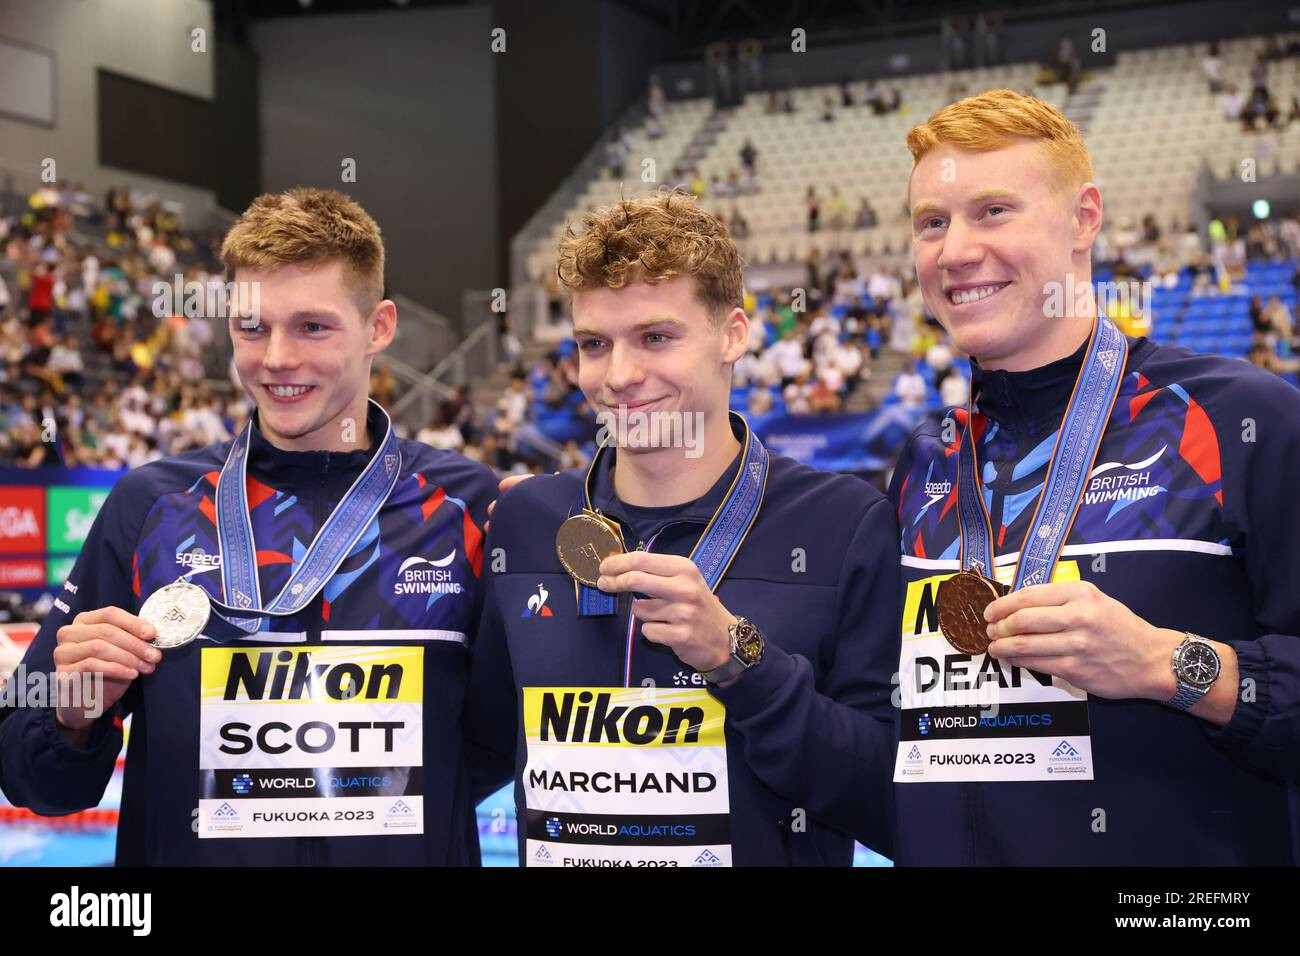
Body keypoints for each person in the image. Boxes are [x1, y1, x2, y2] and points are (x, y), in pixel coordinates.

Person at [0, 188, 508, 865]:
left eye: (312, 327)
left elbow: (500, 743)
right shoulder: (150, 506)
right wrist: (72, 716)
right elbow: (37, 783)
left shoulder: (470, 510)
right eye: (252, 327)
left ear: (379, 327)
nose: (275, 359)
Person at [891, 88, 1300, 864]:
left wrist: (1165, 665)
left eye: (994, 211)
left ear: (1085, 218)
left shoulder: (1237, 420)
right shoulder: (922, 462)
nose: (956, 251)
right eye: (932, 223)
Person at [469, 191, 900, 866]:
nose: (619, 377)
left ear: (733, 334)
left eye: (656, 338)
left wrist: (742, 657)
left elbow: (893, 798)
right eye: (594, 344)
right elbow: (474, 750)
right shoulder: (526, 521)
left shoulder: (843, 523)